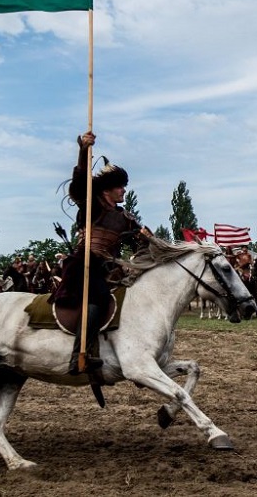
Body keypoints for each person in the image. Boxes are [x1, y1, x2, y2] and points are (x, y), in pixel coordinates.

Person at [50, 131, 151, 375]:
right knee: (99, 297)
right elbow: (79, 184)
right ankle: (79, 355)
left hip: (108, 268)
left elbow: (142, 244)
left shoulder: (125, 217)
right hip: (83, 263)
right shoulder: (92, 204)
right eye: (120, 187)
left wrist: (146, 242)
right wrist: (84, 150)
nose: (124, 191)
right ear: (107, 190)